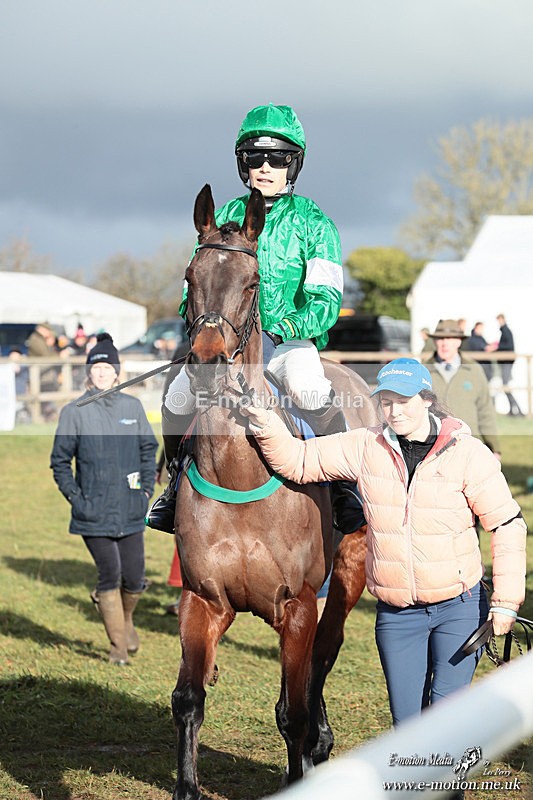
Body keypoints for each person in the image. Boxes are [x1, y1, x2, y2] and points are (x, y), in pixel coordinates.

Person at [239, 357, 527, 736]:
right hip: (397, 615)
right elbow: (300, 461)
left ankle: (450, 775)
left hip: (458, 608)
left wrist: (506, 602)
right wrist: (265, 423)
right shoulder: (366, 445)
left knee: (448, 719)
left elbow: (507, 523)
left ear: (426, 399)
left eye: (404, 401)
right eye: (387, 402)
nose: (394, 411)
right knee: (406, 727)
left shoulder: (467, 452)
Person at [147, 103, 363, 536]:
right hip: (227, 344)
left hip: (288, 342)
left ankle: (344, 491)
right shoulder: (224, 215)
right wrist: (204, 328)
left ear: (292, 164)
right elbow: (193, 287)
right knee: (177, 397)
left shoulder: (315, 222)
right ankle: (174, 488)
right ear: (243, 164)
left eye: (277, 158)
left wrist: (285, 329)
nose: (265, 167)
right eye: (255, 157)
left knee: (308, 388)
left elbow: (326, 299)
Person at [50, 333, 158, 665]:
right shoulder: (74, 412)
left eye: (107, 367)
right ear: (88, 372)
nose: (101, 372)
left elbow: (148, 449)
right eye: (96, 367)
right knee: (110, 573)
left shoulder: (132, 407)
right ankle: (118, 649)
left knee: (135, 578)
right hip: (92, 511)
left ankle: (125, 623)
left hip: (130, 507)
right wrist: (76, 497)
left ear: (117, 372)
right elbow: (60, 461)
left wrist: (145, 491)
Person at [423, 319, 501, 457]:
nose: (445, 343)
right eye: (440, 339)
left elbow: (485, 411)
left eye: (450, 338)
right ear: (434, 341)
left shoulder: (474, 370)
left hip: (468, 446)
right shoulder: (423, 371)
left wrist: (494, 447)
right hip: (432, 449)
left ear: (459, 341)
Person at [27, 322, 60, 421]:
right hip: (40, 375)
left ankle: (47, 417)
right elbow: (46, 356)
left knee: (47, 399)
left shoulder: (40, 339)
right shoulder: (35, 339)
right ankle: (39, 418)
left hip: (44, 375)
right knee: (40, 399)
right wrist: (50, 346)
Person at [493, 313, 523, 416]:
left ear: (502, 319)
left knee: (505, 386)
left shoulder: (506, 331)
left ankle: (518, 411)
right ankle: (514, 410)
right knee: (505, 386)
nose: (499, 322)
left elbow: (508, 346)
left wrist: (496, 348)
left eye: (499, 320)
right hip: (506, 362)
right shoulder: (505, 331)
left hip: (506, 362)